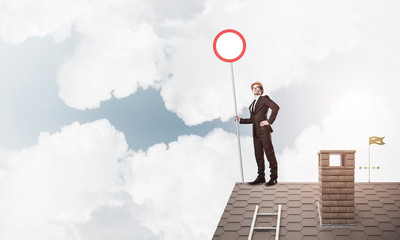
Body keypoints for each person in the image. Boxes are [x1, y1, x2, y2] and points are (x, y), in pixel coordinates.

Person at [235, 81, 280, 186]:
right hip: (255, 132)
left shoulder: (264, 99)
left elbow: (275, 107)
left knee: (269, 154)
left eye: (257, 87)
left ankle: (273, 178)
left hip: (264, 131)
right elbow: (252, 119)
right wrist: (240, 120)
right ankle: (261, 177)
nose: (255, 89)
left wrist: (269, 121)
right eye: (253, 88)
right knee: (258, 155)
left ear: (261, 90)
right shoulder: (252, 105)